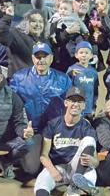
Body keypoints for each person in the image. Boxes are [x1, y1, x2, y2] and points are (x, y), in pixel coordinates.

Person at [21, 87, 99, 196]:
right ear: (66, 103)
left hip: (78, 167)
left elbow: (96, 161)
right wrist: (53, 171)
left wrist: (93, 161)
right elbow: (44, 155)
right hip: (59, 168)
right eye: (72, 100)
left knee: (89, 141)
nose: (76, 104)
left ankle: (76, 186)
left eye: (79, 101)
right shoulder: (53, 124)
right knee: (42, 180)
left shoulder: (86, 127)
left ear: (84, 106)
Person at [9, 42, 72, 177]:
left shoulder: (63, 79)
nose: (41, 60)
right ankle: (12, 158)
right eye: (38, 57)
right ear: (33, 58)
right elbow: (11, 105)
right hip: (33, 132)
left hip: (55, 131)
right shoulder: (19, 78)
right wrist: (21, 128)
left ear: (51, 58)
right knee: (31, 169)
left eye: (45, 56)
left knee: (66, 161)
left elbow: (72, 105)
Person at [0, 7, 48, 77]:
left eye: (41, 22)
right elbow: (1, 35)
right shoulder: (17, 35)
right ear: (26, 23)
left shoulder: (45, 41)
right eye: (33, 21)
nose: (38, 24)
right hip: (20, 80)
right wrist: (8, 17)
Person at [66, 41, 98, 120]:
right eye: (81, 52)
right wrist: (69, 74)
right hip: (75, 108)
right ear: (76, 55)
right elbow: (66, 87)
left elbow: (95, 91)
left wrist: (94, 107)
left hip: (89, 110)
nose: (84, 55)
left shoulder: (93, 72)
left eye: (86, 53)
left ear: (91, 55)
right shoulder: (72, 69)